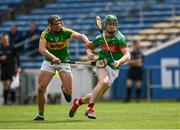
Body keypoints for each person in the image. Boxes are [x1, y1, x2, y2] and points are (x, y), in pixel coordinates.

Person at [69, 14, 131, 119]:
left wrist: (118, 61)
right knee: (103, 81)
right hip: (102, 63)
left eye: (114, 24)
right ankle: (90, 109)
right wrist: (89, 53)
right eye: (110, 24)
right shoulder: (100, 38)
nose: (112, 26)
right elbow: (89, 46)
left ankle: (78, 102)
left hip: (114, 68)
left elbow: (127, 55)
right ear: (105, 25)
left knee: (96, 94)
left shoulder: (120, 38)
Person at [33, 14, 90, 121]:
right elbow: (41, 49)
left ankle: (64, 89)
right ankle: (40, 115)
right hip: (49, 62)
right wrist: (53, 57)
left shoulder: (66, 31)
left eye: (59, 23)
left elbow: (81, 35)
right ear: (49, 25)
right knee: (41, 88)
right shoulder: (45, 34)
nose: (58, 26)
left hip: (64, 62)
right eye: (55, 25)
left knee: (69, 92)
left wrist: (87, 42)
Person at [0, 33, 21, 105]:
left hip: (11, 69)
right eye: (3, 39)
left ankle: (13, 102)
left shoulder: (12, 47)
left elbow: (17, 58)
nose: (4, 41)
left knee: (11, 85)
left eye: (5, 39)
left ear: (8, 39)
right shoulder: (0, 47)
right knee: (5, 85)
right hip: (3, 69)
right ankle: (5, 102)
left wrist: (19, 67)